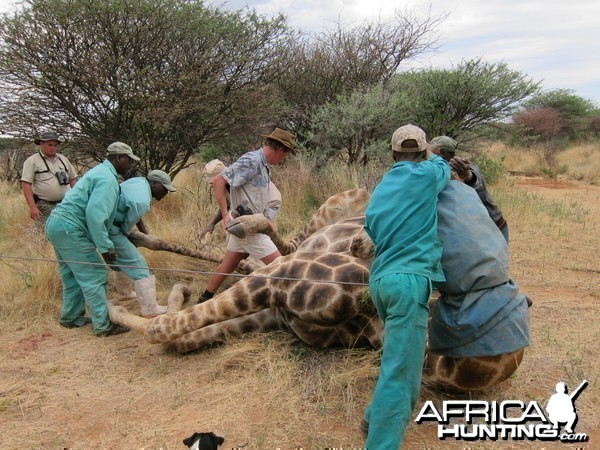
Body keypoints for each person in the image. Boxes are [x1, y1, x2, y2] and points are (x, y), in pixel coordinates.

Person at [362, 124, 450, 449]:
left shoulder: (382, 186)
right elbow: (443, 166)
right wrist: (434, 155)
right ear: (422, 152)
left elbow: (371, 228)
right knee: (400, 373)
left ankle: (373, 417)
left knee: (405, 366)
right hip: (409, 284)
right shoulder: (428, 174)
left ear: (393, 153)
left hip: (381, 282)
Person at [45, 142, 140, 336]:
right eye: (128, 160)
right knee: (95, 274)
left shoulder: (100, 172)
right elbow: (95, 215)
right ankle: (103, 325)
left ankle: (71, 318)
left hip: (58, 224)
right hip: (69, 228)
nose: (129, 164)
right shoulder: (107, 179)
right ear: (119, 158)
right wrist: (105, 246)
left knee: (72, 274)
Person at [198, 128, 296, 303]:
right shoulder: (252, 161)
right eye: (287, 154)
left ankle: (204, 299)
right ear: (281, 149)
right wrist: (225, 216)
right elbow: (219, 181)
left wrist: (268, 219)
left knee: (227, 266)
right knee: (284, 269)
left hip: (247, 224)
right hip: (249, 228)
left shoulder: (263, 164)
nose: (284, 159)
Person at [110, 170, 177, 317]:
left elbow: (133, 212)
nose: (166, 192)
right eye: (164, 188)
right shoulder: (142, 201)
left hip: (108, 220)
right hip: (111, 226)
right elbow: (126, 228)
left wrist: (144, 231)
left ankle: (125, 293)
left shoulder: (139, 182)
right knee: (138, 263)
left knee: (122, 256)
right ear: (154, 184)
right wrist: (139, 238)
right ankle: (150, 309)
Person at [429, 136, 509, 242]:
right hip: (475, 230)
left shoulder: (465, 167)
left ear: (442, 153)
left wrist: (467, 175)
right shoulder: (438, 171)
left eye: (432, 152)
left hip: (493, 226)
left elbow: (473, 179)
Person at [198, 158, 282, 241]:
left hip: (270, 202)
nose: (212, 185)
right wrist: (212, 224)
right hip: (253, 207)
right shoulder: (224, 186)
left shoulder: (238, 180)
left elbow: (251, 206)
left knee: (263, 235)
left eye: (213, 182)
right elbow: (225, 206)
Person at [21, 131, 78, 222]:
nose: (53, 148)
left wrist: (77, 199)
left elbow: (73, 180)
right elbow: (26, 184)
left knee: (68, 230)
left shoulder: (63, 159)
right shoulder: (32, 161)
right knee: (49, 231)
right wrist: (32, 207)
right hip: (45, 205)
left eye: (55, 145)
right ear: (41, 144)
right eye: (50, 145)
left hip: (66, 203)